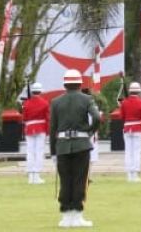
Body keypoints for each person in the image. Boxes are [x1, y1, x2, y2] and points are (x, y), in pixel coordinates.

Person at [50, 69, 100, 228]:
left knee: (65, 180)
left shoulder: (56, 102)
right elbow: (97, 117)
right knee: (80, 179)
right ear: (80, 84)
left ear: (65, 84)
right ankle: (77, 216)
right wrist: (90, 131)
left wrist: (52, 151)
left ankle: (65, 217)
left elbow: (53, 129)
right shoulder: (87, 99)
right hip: (82, 145)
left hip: (62, 146)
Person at [119, 81, 141, 182]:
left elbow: (122, 117)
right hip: (137, 129)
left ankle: (129, 174)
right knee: (136, 152)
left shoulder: (124, 103)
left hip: (127, 128)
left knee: (128, 152)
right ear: (139, 92)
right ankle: (135, 174)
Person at [23, 82, 51, 184]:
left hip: (29, 128)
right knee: (39, 152)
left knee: (30, 152)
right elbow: (47, 118)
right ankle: (36, 175)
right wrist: (48, 131)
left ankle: (31, 176)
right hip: (41, 128)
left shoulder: (26, 103)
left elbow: (24, 118)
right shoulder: (45, 103)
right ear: (41, 91)